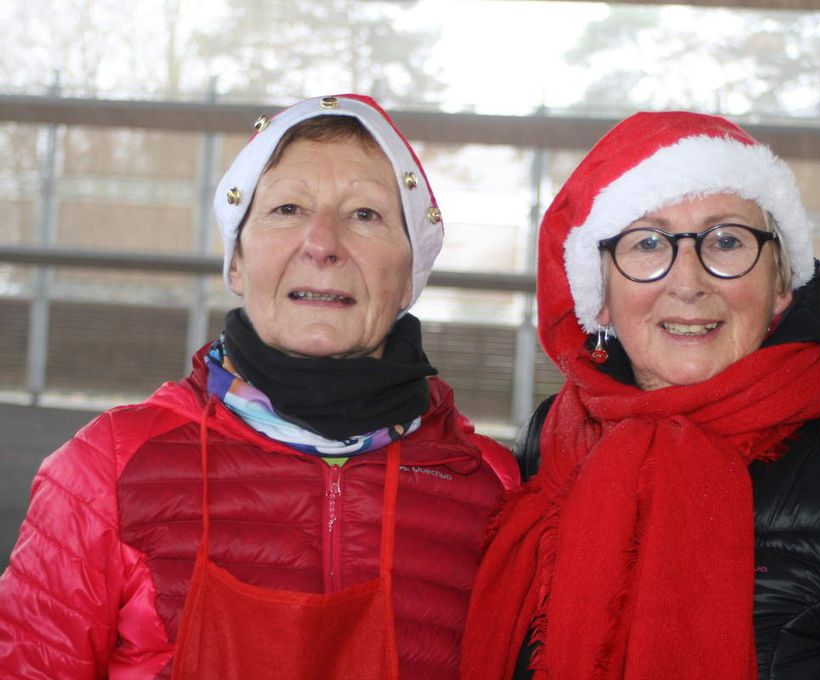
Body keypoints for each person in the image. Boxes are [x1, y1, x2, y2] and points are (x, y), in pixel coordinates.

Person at [461, 111, 820, 679]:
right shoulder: (550, 444)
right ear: (600, 297)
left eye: (726, 240)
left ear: (780, 284)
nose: (688, 280)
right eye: (648, 242)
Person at [0, 93, 518, 679]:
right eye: (287, 208)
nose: (322, 244)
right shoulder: (107, 467)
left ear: (409, 276)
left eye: (366, 215)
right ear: (238, 263)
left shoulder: (494, 489)